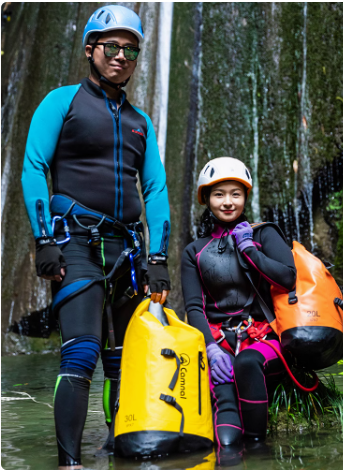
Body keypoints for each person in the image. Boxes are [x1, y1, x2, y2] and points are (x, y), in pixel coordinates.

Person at [21, 5, 171, 469]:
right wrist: (45, 239)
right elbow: (33, 166)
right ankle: (69, 464)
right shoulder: (60, 102)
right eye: (112, 46)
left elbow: (156, 188)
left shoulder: (141, 121)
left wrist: (158, 256)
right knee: (81, 354)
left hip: (127, 251)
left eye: (131, 49)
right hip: (77, 244)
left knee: (122, 361)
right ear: (91, 49)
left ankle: (118, 453)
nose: (122, 56)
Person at [181, 157, 296, 447]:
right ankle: (230, 457)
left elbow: (288, 278)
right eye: (219, 194)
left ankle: (258, 450)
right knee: (227, 430)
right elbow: (194, 307)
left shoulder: (264, 234)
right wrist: (210, 348)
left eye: (236, 193)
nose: (228, 201)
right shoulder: (193, 252)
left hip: (264, 337)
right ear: (206, 199)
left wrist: (250, 251)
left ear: (246, 196)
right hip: (219, 341)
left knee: (245, 363)